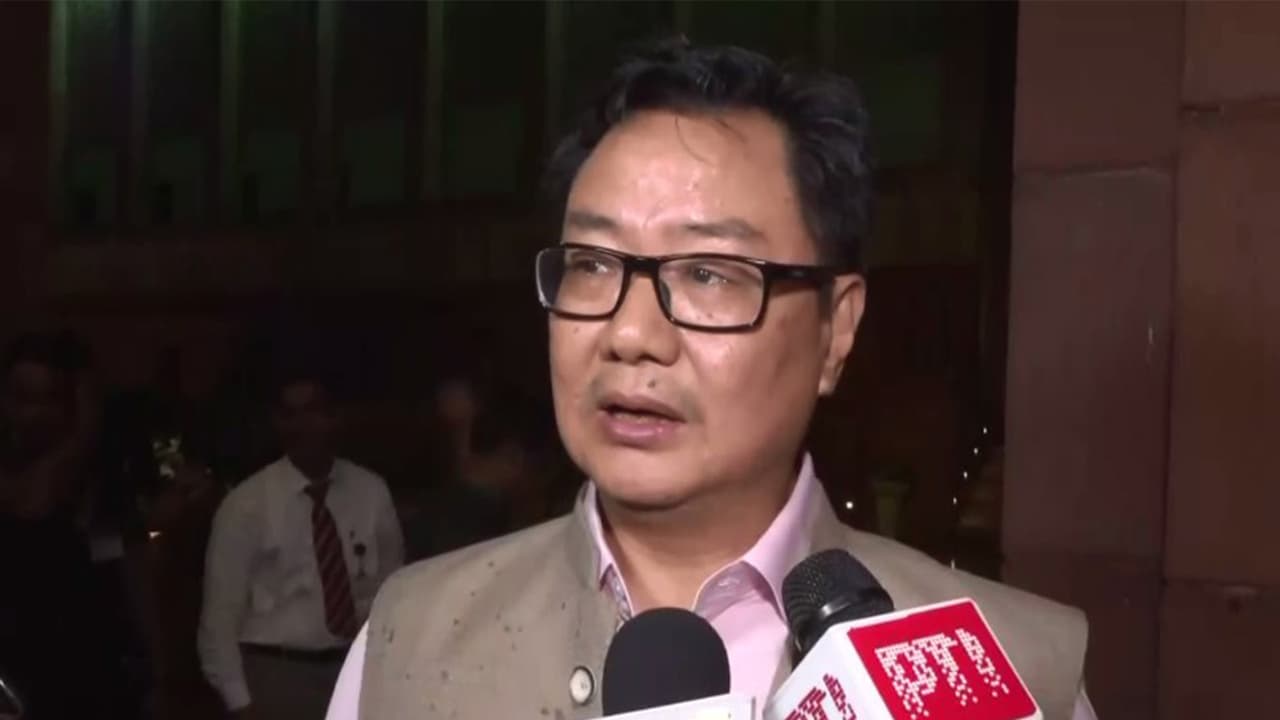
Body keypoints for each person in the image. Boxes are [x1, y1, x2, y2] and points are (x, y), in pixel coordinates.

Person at [327, 39, 1094, 720]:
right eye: (592, 265)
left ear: (836, 328)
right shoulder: (410, 643)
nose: (631, 334)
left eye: (709, 274)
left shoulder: (1007, 672)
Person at [199, 365, 404, 719]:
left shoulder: (370, 491)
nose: (302, 426)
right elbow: (219, 619)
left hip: (355, 668)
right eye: (289, 415)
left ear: (334, 417)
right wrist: (240, 703)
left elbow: (394, 591)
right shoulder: (246, 505)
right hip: (279, 675)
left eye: (312, 411)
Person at [0, 331, 128, 720]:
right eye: (24, 397)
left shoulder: (96, 483)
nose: (36, 413)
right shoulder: (26, 475)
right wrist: (85, 430)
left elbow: (119, 564)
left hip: (88, 674)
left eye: (50, 398)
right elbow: (33, 499)